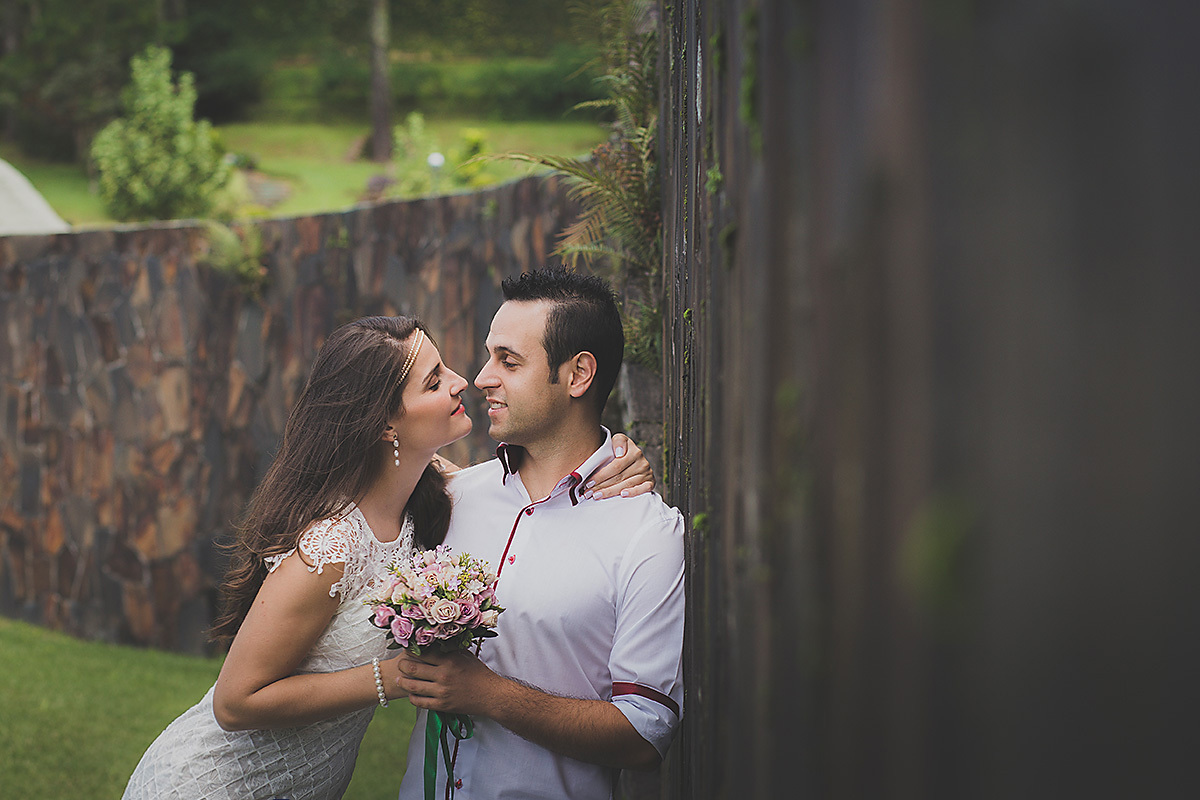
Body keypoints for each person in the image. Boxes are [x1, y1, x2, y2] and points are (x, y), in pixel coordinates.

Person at [122, 315, 652, 800]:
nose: (460, 381)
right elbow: (234, 703)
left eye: (444, 366)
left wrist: (619, 456)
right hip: (213, 784)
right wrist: (393, 678)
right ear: (384, 424)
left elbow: (542, 481)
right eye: (432, 380)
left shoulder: (434, 499)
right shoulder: (330, 548)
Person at [395, 268, 686, 800]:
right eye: (489, 357)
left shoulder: (646, 533)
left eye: (509, 361)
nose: (481, 378)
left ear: (578, 375)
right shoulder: (453, 497)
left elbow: (646, 733)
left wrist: (491, 696)